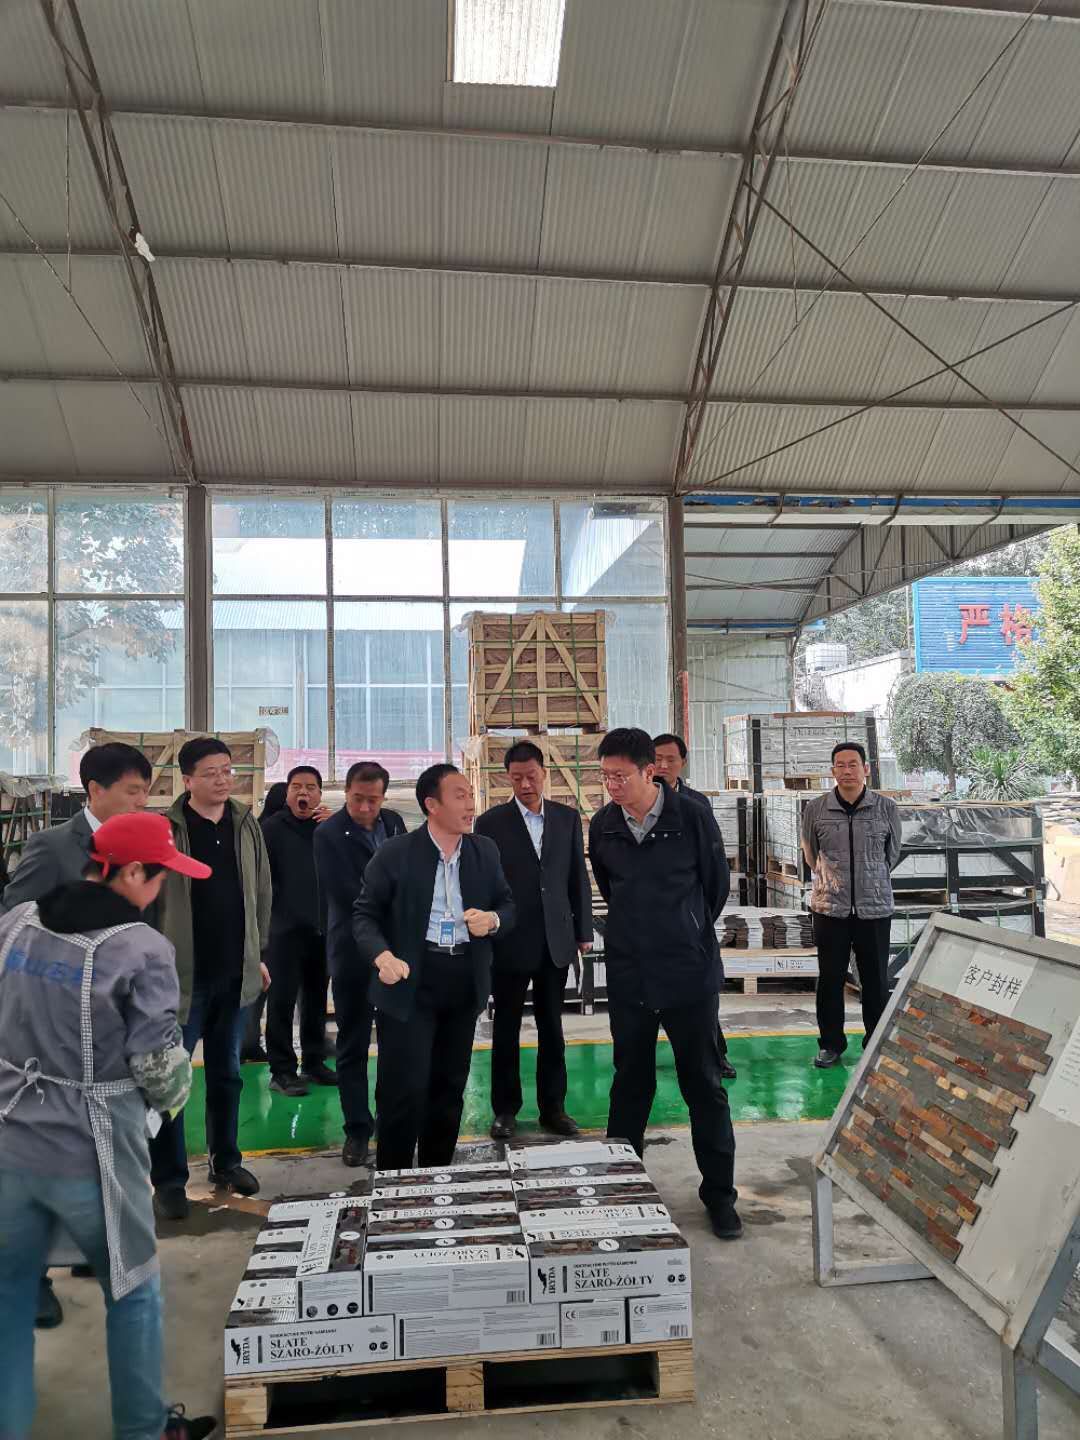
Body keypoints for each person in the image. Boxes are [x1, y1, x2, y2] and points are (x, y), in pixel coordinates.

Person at [0, 810, 216, 1440]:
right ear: (131, 872)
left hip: (10, 1144)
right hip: (92, 1154)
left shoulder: (18, 923)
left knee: (9, 1296)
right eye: (161, 876)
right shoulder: (141, 949)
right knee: (133, 1292)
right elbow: (156, 1064)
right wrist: (172, 1093)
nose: (163, 889)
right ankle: (144, 1429)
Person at [1, 740, 153, 1331]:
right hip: (49, 1027)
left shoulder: (135, 847)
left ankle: (93, 1246)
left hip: (107, 1022)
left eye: (145, 792)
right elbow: (17, 920)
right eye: (132, 791)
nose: (141, 801)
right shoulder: (52, 847)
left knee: (99, 1146)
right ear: (95, 791)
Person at [589, 728, 741, 1241]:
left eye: (621, 776)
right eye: (605, 776)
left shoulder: (691, 817)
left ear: (649, 771)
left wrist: (685, 929)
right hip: (630, 974)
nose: (612, 785)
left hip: (687, 973)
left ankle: (720, 1196)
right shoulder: (604, 826)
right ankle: (621, 1186)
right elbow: (610, 888)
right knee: (630, 1082)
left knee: (703, 1084)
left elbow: (715, 887)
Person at [352, 763, 515, 1171]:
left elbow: (508, 905)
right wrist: (382, 956)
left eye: (471, 795)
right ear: (432, 805)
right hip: (411, 980)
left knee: (449, 1087)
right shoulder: (396, 854)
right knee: (403, 1089)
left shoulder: (484, 851)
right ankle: (394, 1179)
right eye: (459, 795)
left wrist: (493, 920)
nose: (470, 804)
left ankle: (437, 1175)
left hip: (463, 981)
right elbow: (364, 916)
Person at [149, 737, 272, 1221]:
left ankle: (227, 1162)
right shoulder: (166, 830)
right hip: (182, 979)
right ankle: (169, 1181)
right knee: (171, 1082)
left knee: (228, 1075)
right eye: (211, 773)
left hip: (233, 974)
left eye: (227, 770)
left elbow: (261, 890)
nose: (223, 779)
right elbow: (151, 903)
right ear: (187, 780)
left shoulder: (245, 823)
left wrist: (257, 954)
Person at [474, 742, 592, 1142]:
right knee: (506, 1029)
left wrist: (583, 931)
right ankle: (505, 1110)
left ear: (545, 774)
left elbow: (576, 876)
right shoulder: (491, 823)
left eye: (531, 776)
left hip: (555, 941)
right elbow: (485, 884)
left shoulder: (566, 818)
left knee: (552, 1028)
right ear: (508, 778)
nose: (525, 785)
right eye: (517, 778)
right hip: (509, 941)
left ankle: (553, 1109)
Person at [314, 761, 407, 1167]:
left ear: (383, 797)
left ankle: (391, 1122)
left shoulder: (395, 823)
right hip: (353, 953)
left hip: (395, 955)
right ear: (345, 793)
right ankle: (357, 1129)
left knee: (395, 1043)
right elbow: (348, 894)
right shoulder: (328, 834)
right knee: (352, 1044)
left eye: (373, 800)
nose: (365, 808)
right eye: (357, 799)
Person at [801, 741, 902, 1070]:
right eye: (840, 765)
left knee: (875, 980)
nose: (847, 771)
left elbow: (892, 854)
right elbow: (810, 854)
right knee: (830, 979)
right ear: (832, 771)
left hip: (874, 908)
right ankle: (831, 1044)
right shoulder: (816, 809)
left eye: (853, 764)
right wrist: (833, 881)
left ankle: (875, 1042)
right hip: (830, 908)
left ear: (866, 769)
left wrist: (869, 880)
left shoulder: (886, 808)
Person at [653, 732, 737, 1081]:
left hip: (690, 918)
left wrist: (700, 914)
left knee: (702, 995)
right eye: (657, 758)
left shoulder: (697, 804)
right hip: (651, 918)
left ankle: (716, 1055)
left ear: (682, 763)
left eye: (670, 759)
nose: (663, 765)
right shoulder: (637, 802)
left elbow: (713, 867)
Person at [262, 766, 337, 1097]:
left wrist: (338, 828)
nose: (303, 793)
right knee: (281, 1000)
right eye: (296, 787)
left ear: (320, 793)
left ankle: (314, 1062)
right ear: (287, 793)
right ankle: (281, 1070)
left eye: (310, 787)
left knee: (316, 999)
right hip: (284, 932)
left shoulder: (329, 828)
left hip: (322, 930)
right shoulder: (271, 829)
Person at [240, 783, 288, 1063]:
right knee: (265, 987)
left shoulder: (257, 829)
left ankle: (249, 1042)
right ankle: (249, 1043)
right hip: (271, 924)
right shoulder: (270, 832)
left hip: (262, 923)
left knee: (258, 987)